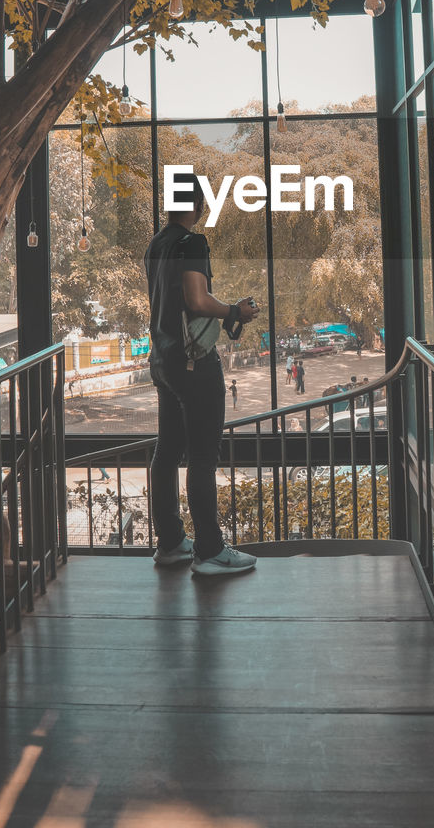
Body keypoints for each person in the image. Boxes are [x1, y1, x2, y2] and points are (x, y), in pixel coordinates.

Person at [145, 171, 259, 576]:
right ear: (198, 206)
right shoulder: (193, 242)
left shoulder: (157, 244)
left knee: (166, 452)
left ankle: (171, 544)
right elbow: (196, 298)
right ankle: (210, 551)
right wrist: (235, 311)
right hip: (195, 365)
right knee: (203, 458)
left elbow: (172, 302)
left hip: (163, 361)